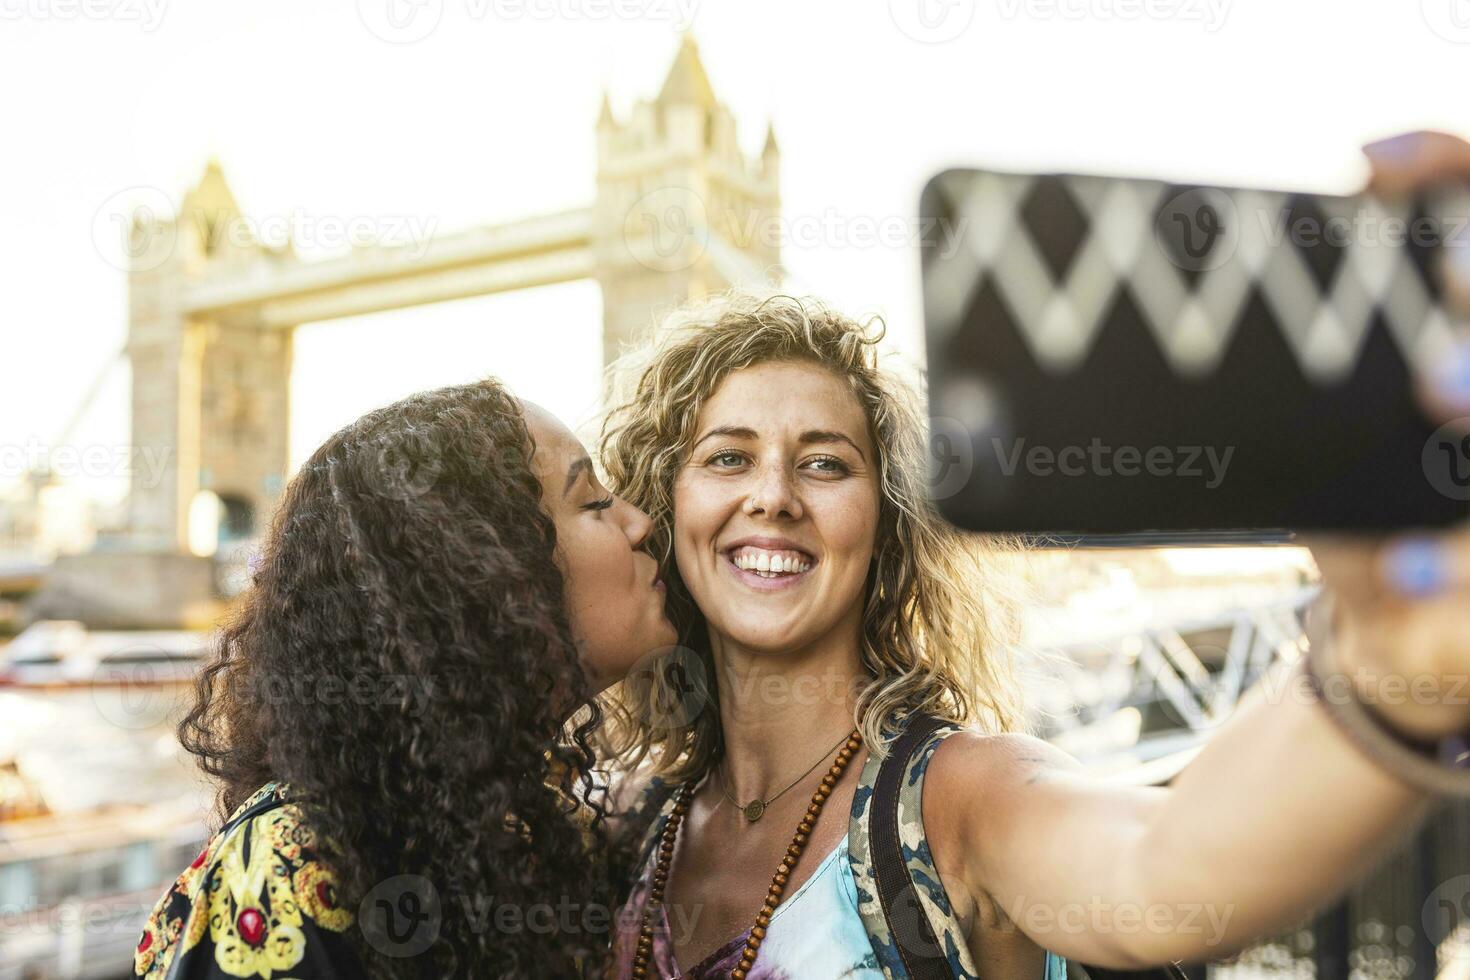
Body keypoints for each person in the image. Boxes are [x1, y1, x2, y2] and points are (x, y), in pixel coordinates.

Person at [597, 132, 1470, 979]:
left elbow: (1160, 870)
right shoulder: (634, 827)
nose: (775, 495)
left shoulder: (958, 799)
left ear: (889, 522)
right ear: (664, 509)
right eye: (727, 458)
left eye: (826, 463)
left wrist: (1395, 652)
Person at [133, 378, 676, 980]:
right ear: (486, 579)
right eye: (594, 503)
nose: (640, 523)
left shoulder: (529, 829)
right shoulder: (288, 871)